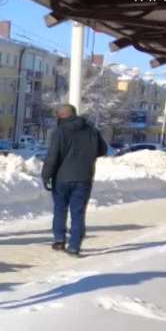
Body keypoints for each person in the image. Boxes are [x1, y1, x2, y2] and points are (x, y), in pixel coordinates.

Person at [43, 103, 107, 256]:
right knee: (78, 212)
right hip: (84, 177)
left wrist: (46, 175)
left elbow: (52, 157)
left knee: (60, 209)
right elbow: (103, 149)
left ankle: (59, 240)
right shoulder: (91, 130)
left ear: (61, 116)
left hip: (61, 177)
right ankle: (74, 246)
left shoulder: (59, 132)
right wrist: (87, 156)